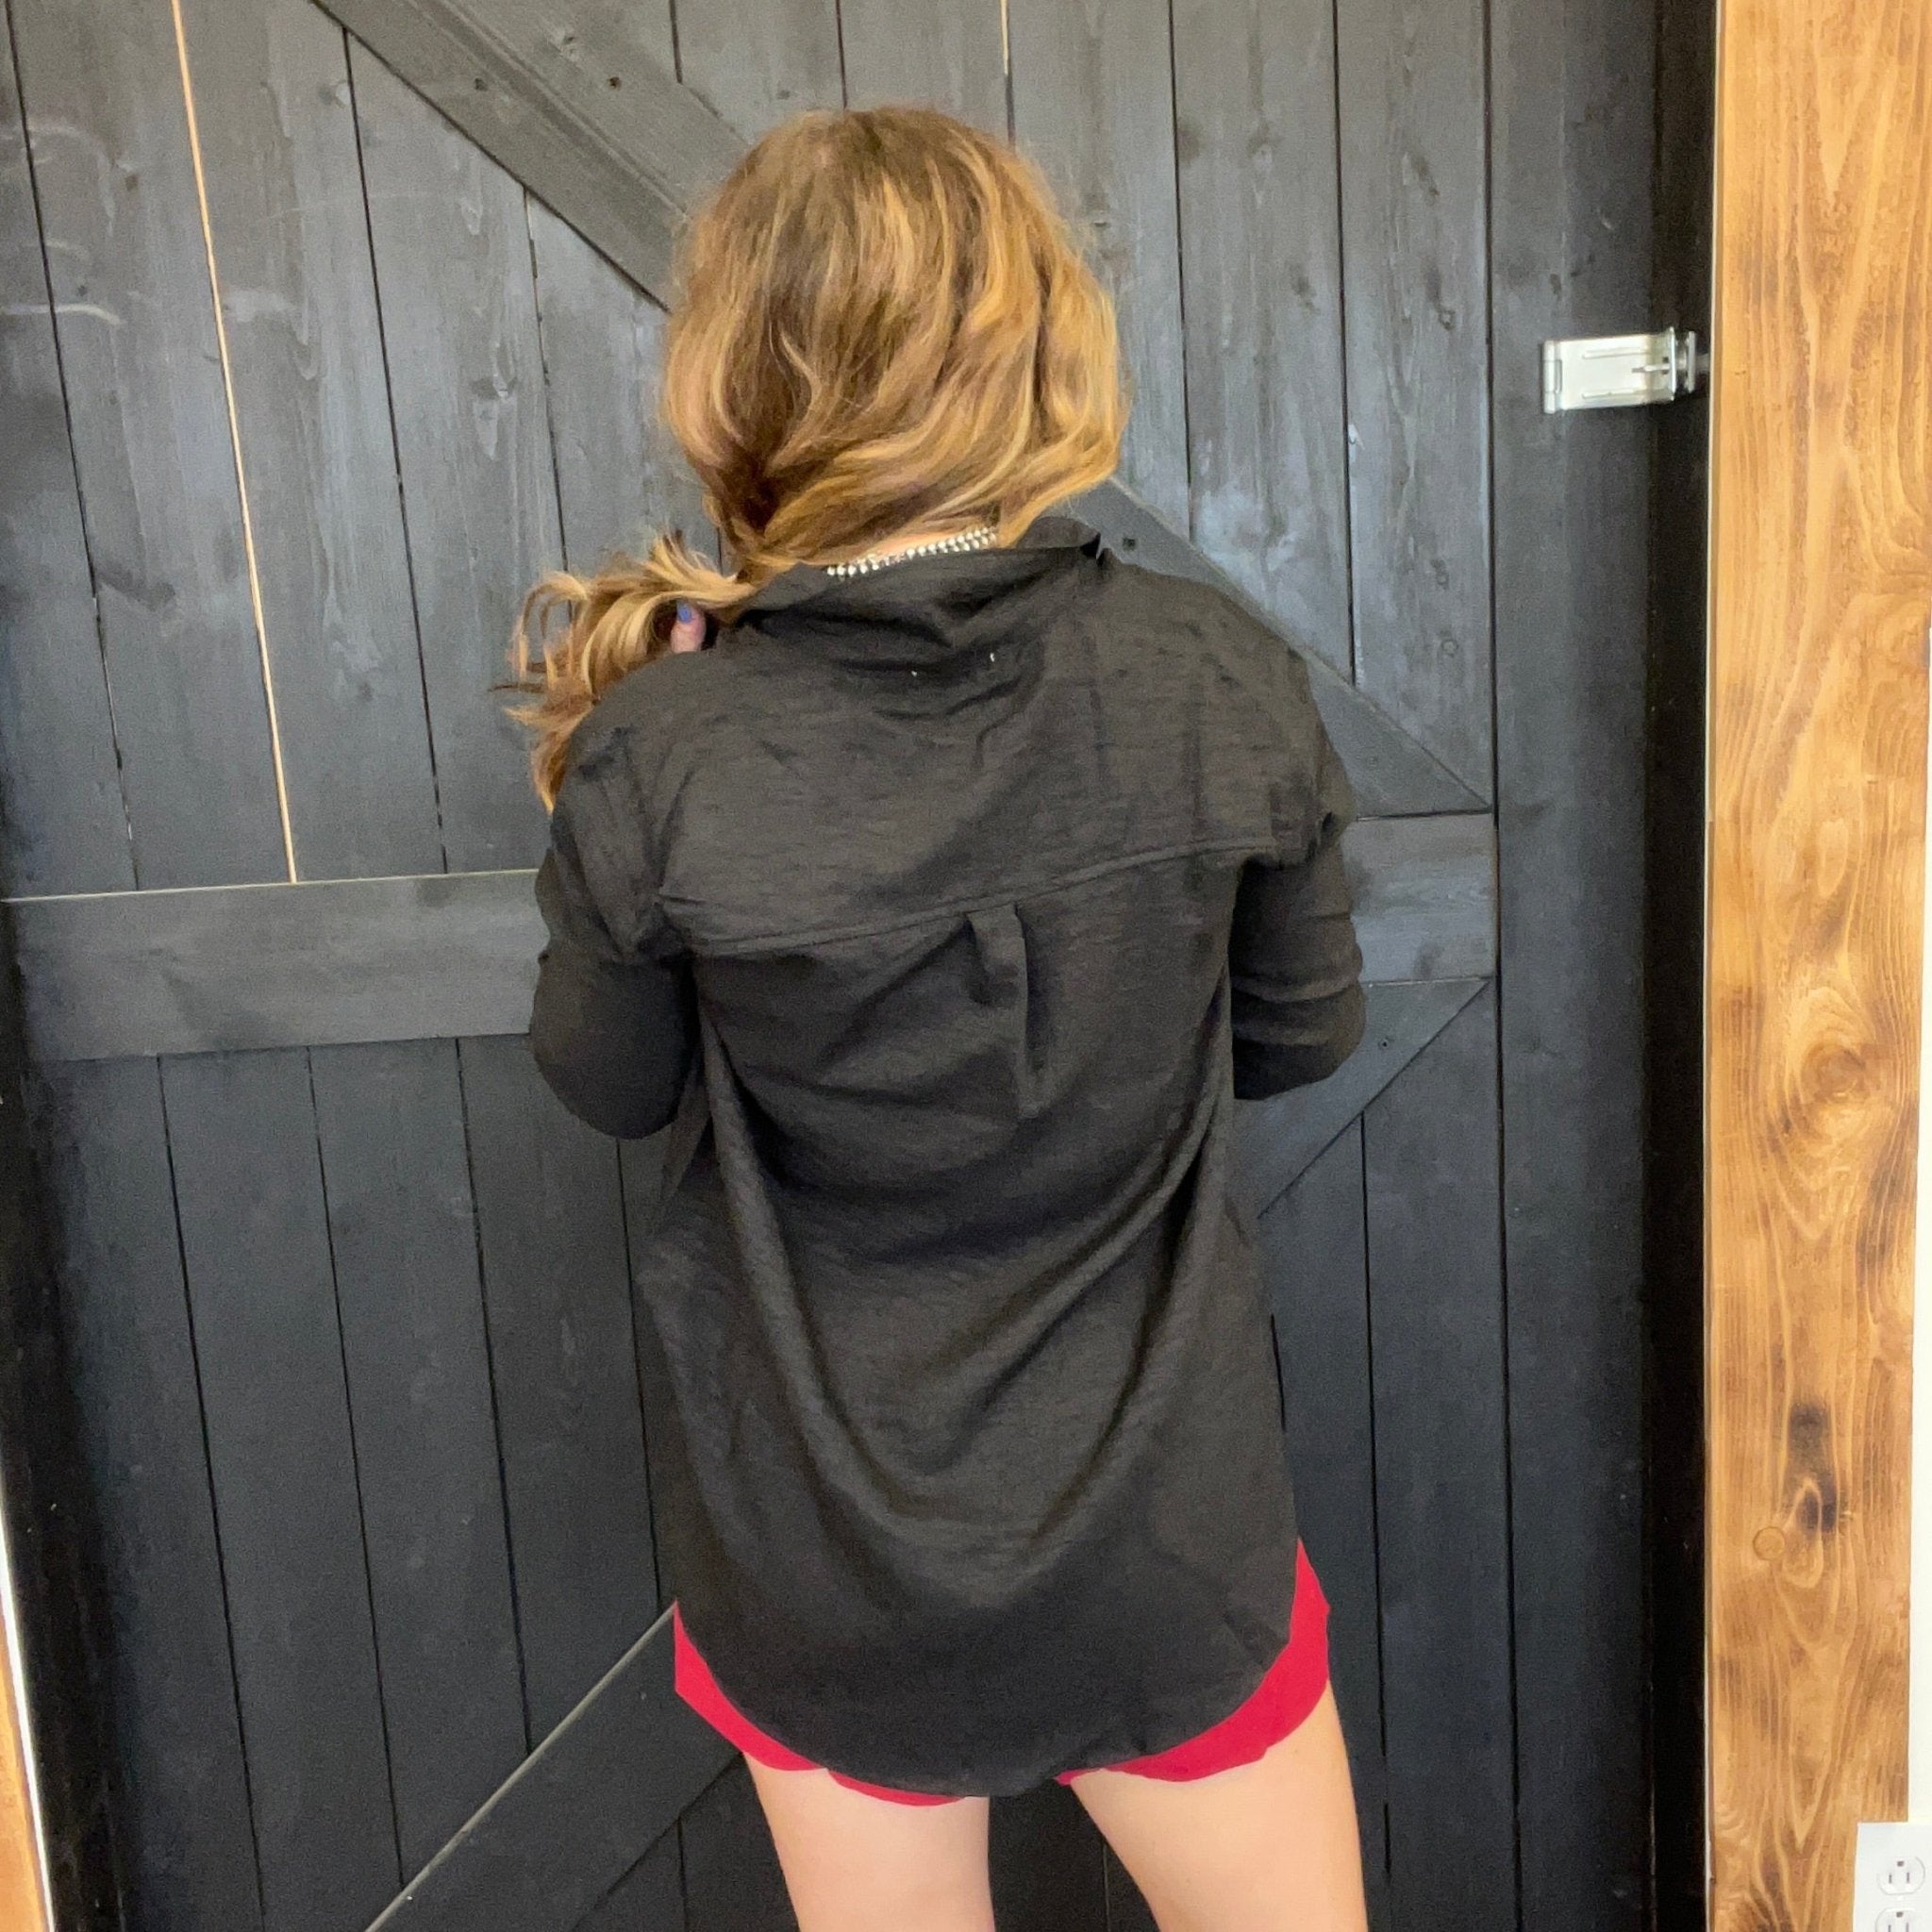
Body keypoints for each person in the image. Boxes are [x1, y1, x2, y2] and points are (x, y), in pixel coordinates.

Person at [511, 106, 1370, 1932]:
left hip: (835, 1558)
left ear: (739, 370)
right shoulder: (1216, 674)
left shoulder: (666, 750)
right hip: (1167, 1528)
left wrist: (641, 771)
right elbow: (1299, 1036)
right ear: (1040, 344)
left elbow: (610, 1082)